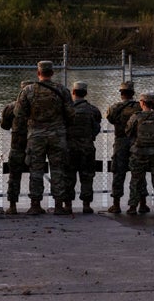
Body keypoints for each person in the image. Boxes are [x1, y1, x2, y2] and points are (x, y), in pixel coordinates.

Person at [14, 60, 74, 215]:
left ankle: (35, 204)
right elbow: (71, 114)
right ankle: (59, 205)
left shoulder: (28, 90)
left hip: (36, 135)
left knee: (36, 170)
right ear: (52, 73)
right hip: (57, 135)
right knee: (58, 169)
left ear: (38, 73)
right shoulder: (62, 90)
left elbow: (19, 115)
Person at [105, 80, 148, 214]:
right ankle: (142, 204)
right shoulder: (139, 107)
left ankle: (116, 204)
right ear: (133, 93)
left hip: (121, 142)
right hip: (136, 142)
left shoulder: (114, 108)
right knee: (139, 173)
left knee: (118, 172)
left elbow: (110, 119)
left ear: (121, 93)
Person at [125, 92, 154, 214]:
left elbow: (128, 132)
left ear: (142, 103)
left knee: (136, 179)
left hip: (138, 152)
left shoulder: (136, 117)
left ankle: (133, 206)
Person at [64, 81, 102, 214]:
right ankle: (86, 205)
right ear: (85, 93)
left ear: (73, 92)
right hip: (87, 148)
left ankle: (68, 205)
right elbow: (97, 127)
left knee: (68, 176)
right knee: (87, 176)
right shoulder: (93, 110)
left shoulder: (66, 110)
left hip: (69, 148)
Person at [1, 81, 33, 215]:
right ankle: (35, 204)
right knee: (36, 174)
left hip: (17, 145)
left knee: (14, 175)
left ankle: (12, 205)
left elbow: (4, 126)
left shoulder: (11, 107)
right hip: (34, 144)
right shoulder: (38, 108)